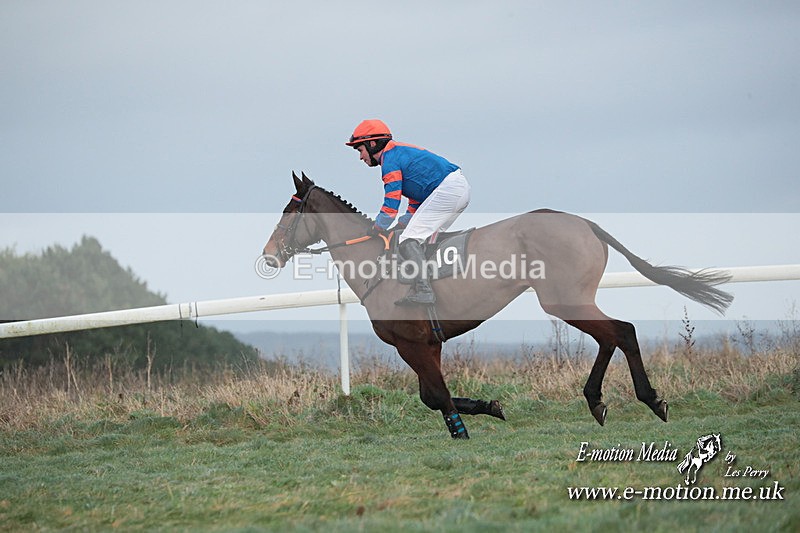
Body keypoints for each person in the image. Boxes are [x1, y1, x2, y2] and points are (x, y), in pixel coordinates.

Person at [345, 119, 471, 306]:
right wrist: (401, 225)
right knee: (426, 240)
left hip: (448, 190)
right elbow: (416, 201)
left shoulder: (390, 160)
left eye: (360, 150)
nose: (361, 157)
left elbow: (391, 204)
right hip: (456, 190)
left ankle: (424, 290)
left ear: (372, 144)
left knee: (408, 240)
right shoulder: (398, 154)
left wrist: (378, 227)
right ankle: (437, 285)